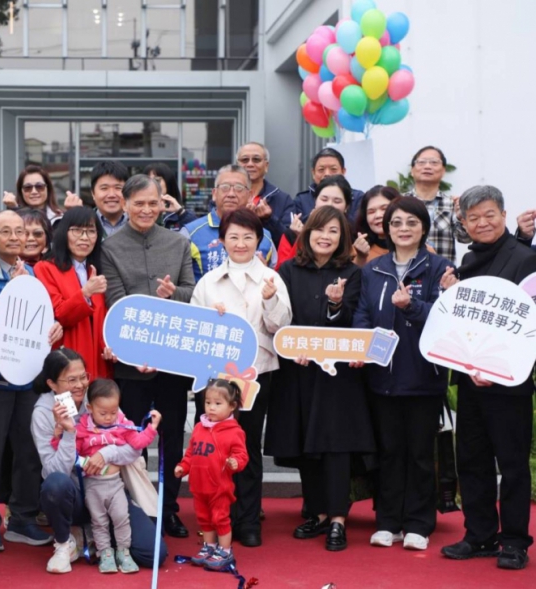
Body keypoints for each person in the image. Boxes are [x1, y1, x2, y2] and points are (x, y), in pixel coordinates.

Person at [264, 206, 374, 552]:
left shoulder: (353, 273)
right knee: (305, 445)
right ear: (306, 234)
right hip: (297, 371)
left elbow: (353, 323)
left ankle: (338, 518)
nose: (325, 237)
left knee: (335, 445)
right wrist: (292, 343)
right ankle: (317, 512)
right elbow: (282, 320)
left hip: (337, 376)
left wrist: (335, 306)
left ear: (343, 237)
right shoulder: (286, 270)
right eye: (318, 230)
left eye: (333, 231)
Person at [439, 186, 536, 570]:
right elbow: (464, 320)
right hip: (469, 378)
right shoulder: (467, 260)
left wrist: (494, 369)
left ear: (503, 214)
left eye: (489, 214)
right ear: (463, 223)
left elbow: (528, 327)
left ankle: (515, 541)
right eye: (473, 218)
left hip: (508, 381)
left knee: (511, 464)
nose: (482, 223)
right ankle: (479, 536)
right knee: (472, 460)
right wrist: (452, 293)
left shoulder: (526, 259)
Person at [352, 197, 453, 551]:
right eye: (396, 223)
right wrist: (359, 351)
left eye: (412, 222)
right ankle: (389, 522)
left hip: (424, 378)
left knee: (421, 455)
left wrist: (411, 305)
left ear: (423, 227)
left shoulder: (440, 267)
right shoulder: (373, 269)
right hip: (382, 379)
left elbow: (445, 319)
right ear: (387, 228)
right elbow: (363, 314)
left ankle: (419, 524)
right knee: (389, 452)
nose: (404, 228)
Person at [190, 208, 292, 547]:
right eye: (233, 236)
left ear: (259, 241)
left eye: (248, 236)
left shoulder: (271, 279)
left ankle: (248, 520)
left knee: (245, 448)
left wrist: (269, 300)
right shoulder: (207, 282)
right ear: (221, 241)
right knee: (211, 450)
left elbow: (281, 328)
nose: (240, 243)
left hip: (256, 375)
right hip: (214, 379)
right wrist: (212, 320)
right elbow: (194, 330)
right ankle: (217, 519)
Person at [101, 174, 195, 538]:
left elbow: (192, 291)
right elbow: (116, 302)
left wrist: (174, 294)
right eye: (137, 203)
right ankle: (138, 508)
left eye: (152, 202)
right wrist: (136, 350)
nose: (145, 209)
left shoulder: (178, 242)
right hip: (131, 363)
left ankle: (169, 508)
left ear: (162, 203)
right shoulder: (110, 247)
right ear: (125, 205)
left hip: (172, 362)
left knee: (172, 436)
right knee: (131, 438)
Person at [0, 210, 62, 554]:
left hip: (29, 378)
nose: (14, 237)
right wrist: (11, 292)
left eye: (19, 232)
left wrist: (55, 329)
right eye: (5, 231)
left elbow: (44, 319)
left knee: (29, 451)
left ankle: (22, 517)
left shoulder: (35, 273)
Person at [31, 349, 167, 573]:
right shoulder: (43, 413)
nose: (80, 385)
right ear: (52, 384)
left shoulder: (98, 396)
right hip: (74, 494)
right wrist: (68, 433)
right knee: (55, 484)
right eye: (71, 379)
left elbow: (132, 449)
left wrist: (106, 454)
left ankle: (97, 535)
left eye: (83, 377)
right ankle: (65, 543)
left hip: (111, 489)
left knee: (154, 554)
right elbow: (54, 470)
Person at [74, 379, 162, 574]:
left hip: (115, 484)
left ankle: (124, 551)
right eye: (103, 413)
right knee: (99, 521)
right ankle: (105, 553)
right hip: (93, 485)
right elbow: (73, 454)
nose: (109, 418)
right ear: (90, 408)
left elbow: (138, 444)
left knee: (122, 517)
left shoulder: (122, 425)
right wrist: (81, 461)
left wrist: (152, 428)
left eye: (113, 412)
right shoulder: (82, 428)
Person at [175, 379, 248, 569]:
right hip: (199, 485)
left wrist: (235, 462)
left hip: (219, 487)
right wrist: (183, 466)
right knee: (204, 518)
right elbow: (192, 452)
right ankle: (209, 546)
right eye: (208, 402)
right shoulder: (199, 427)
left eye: (217, 403)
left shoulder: (234, 432)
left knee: (220, 518)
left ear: (232, 406)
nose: (211, 408)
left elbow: (242, 455)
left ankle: (225, 550)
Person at [35, 206, 112, 379]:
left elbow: (107, 317)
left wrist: (109, 345)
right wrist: (85, 293)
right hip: (67, 359)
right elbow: (59, 314)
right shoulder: (46, 268)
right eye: (77, 230)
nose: (84, 238)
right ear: (64, 233)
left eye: (91, 231)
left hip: (100, 361)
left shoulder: (102, 268)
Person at [184, 164, 277, 282]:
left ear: (250, 196)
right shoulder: (190, 233)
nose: (231, 194)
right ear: (214, 193)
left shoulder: (265, 237)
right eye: (225, 187)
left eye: (239, 188)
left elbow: (273, 283)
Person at [403, 146, 469, 263]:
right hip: (405, 275)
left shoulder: (451, 204)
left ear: (443, 171)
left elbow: (465, 239)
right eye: (421, 162)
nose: (427, 166)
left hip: (443, 276)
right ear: (412, 171)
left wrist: (461, 216)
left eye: (434, 162)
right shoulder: (399, 203)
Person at [276, 174, 353, 270]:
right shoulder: (293, 231)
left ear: (347, 206)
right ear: (315, 201)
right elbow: (281, 273)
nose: (329, 205)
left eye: (337, 201)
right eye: (324, 199)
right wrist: (301, 238)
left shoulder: (354, 233)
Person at [236, 142, 295, 238]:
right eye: (245, 160)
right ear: (237, 165)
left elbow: (288, 240)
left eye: (256, 159)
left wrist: (269, 219)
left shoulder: (283, 199)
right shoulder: (226, 196)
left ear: (266, 166)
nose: (250, 164)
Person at [295, 148, 365, 223]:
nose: (327, 174)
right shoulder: (301, 200)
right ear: (313, 173)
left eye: (333, 169)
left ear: (343, 172)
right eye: (321, 170)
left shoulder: (358, 197)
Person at [352, 186, 402, 267]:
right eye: (371, 212)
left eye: (384, 209)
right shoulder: (357, 251)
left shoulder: (420, 249)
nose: (378, 215)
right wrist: (360, 258)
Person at [143, 162, 197, 232]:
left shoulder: (180, 213)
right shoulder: (139, 211)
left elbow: (197, 232)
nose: (152, 184)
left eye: (157, 180)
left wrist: (180, 211)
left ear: (168, 182)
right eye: (147, 181)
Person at [90, 161, 130, 237]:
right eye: (104, 188)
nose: (111, 195)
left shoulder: (139, 223)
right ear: (93, 193)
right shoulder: (83, 224)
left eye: (118, 188)